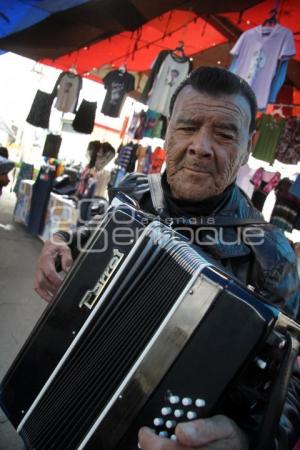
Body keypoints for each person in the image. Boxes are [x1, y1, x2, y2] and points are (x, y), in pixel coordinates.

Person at [34, 67, 300, 449]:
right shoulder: (131, 191)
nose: (200, 146)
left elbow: (292, 383)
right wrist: (58, 240)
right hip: (72, 388)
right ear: (168, 129)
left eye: (225, 134)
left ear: (248, 145)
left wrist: (246, 438)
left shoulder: (272, 254)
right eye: (188, 127)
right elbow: (86, 235)